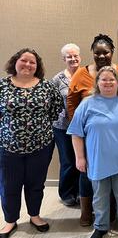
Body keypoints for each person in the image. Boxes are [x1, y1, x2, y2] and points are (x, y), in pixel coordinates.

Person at [68, 66, 118, 238]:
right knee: (100, 197)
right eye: (104, 79)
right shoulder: (87, 103)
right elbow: (76, 133)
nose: (108, 82)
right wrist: (80, 158)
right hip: (97, 161)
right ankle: (100, 227)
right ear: (97, 82)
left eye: (111, 79)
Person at [67, 34, 118, 226]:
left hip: (117, 137)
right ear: (92, 53)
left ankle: (114, 215)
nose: (102, 55)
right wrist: (82, 127)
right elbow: (71, 101)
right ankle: (88, 213)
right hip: (91, 135)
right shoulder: (81, 74)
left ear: (112, 52)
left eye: (106, 52)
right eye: (97, 52)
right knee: (88, 176)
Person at [0, 48, 63, 238]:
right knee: (9, 184)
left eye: (32, 62)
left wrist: (39, 127)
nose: (28, 65)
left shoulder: (47, 87)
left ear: (38, 66)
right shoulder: (2, 86)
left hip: (41, 145)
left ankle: (35, 216)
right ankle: (10, 220)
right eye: (24, 61)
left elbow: (56, 108)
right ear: (15, 62)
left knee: (36, 184)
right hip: (8, 146)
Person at [51, 43, 82, 206]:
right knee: (68, 160)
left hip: (83, 127)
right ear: (64, 59)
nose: (73, 59)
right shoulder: (57, 79)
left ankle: (80, 191)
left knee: (82, 160)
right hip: (63, 127)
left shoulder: (86, 75)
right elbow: (52, 103)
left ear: (80, 57)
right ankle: (66, 193)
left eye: (75, 55)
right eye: (69, 56)